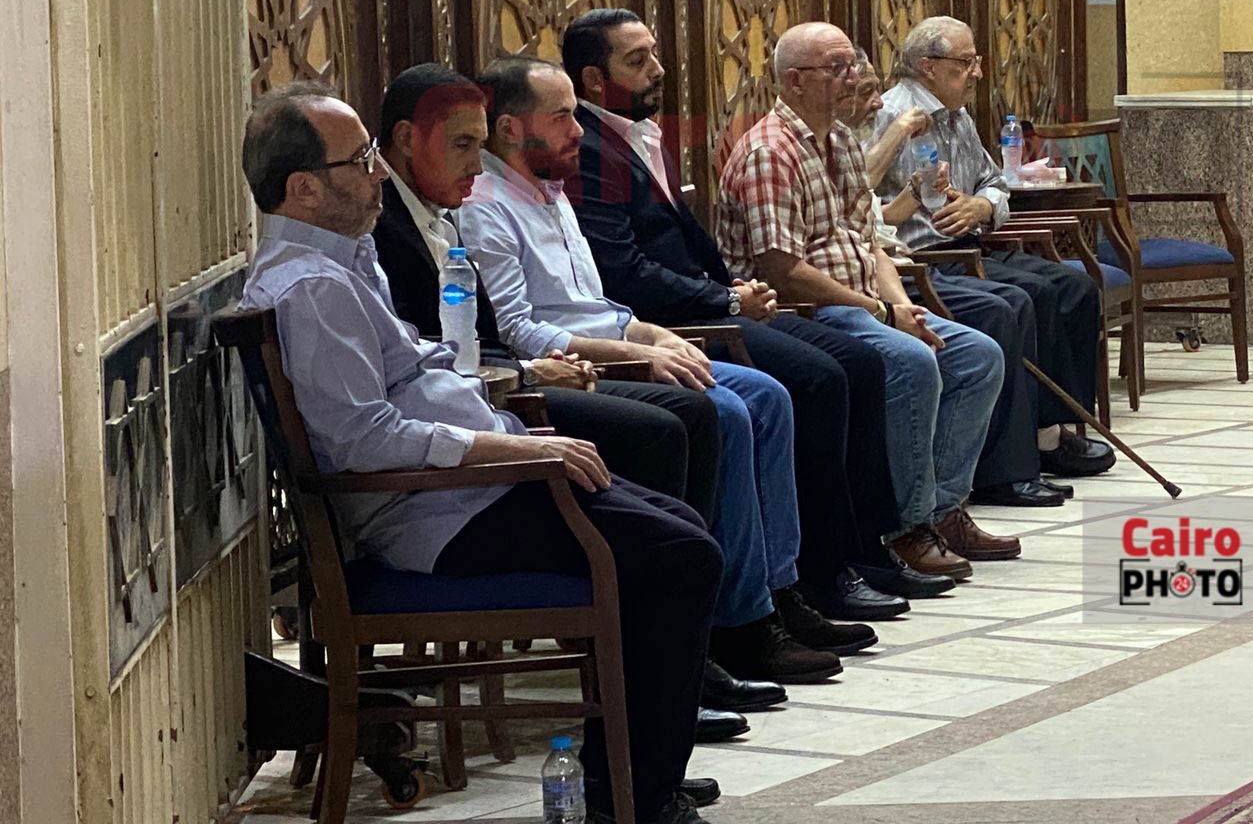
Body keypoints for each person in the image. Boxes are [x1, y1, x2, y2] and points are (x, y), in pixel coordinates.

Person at [237, 82, 718, 824]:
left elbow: (417, 369)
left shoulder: (343, 258)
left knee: (678, 528)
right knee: (679, 556)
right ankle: (633, 798)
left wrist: (516, 435)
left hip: (472, 486)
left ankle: (631, 775)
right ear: (302, 188)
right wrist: (511, 447)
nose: (377, 171)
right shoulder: (310, 288)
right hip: (434, 514)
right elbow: (363, 440)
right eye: (360, 160)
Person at [369, 63, 779, 734]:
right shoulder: (384, 232)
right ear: (407, 139)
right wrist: (532, 373)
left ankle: (694, 645)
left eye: (478, 145)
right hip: (467, 437)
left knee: (706, 417)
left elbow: (470, 341)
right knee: (667, 427)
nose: (475, 164)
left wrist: (598, 351)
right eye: (463, 145)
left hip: (498, 394)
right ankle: (661, 663)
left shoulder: (444, 211)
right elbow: (431, 367)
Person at [459, 56, 875, 685]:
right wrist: (641, 354)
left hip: (619, 343)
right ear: (512, 128)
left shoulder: (553, 192)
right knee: (723, 410)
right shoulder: (486, 207)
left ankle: (775, 591)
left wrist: (654, 335)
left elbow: (599, 305)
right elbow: (520, 331)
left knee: (768, 396)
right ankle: (731, 622)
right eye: (562, 116)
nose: (578, 130)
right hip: (573, 367)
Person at [561, 8, 953, 615]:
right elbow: (624, 271)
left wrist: (733, 291)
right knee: (823, 375)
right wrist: (724, 298)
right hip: (665, 321)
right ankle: (813, 573)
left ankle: (862, 549)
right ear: (593, 79)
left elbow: (860, 237)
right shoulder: (589, 150)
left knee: (855, 362)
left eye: (655, 53)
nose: (659, 69)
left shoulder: (636, 134)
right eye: (638, 61)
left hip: (712, 303)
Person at [717, 21, 1018, 580]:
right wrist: (880, 313)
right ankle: (906, 527)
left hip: (864, 303)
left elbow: (869, 242)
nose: (851, 78)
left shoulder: (840, 142)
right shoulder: (768, 151)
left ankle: (943, 510)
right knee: (912, 361)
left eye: (851, 66)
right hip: (802, 312)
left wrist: (902, 308)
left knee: (978, 355)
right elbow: (783, 270)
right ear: (794, 81)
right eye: (836, 68)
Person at [873, 16, 1115, 480]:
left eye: (977, 61)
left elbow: (995, 181)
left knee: (1076, 287)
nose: (977, 73)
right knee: (1029, 296)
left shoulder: (958, 116)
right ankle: (1030, 443)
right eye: (966, 63)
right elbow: (861, 199)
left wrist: (981, 206)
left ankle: (1060, 427)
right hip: (928, 258)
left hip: (973, 245)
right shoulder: (892, 116)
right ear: (927, 66)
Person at [841, 50, 1066, 508]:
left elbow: (881, 222)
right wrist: (893, 306)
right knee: (1004, 307)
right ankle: (1001, 471)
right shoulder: (879, 124)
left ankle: (1045, 437)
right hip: (903, 268)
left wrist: (954, 197)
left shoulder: (954, 117)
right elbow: (860, 201)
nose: (877, 102)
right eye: (866, 93)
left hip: (908, 263)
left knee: (1057, 288)